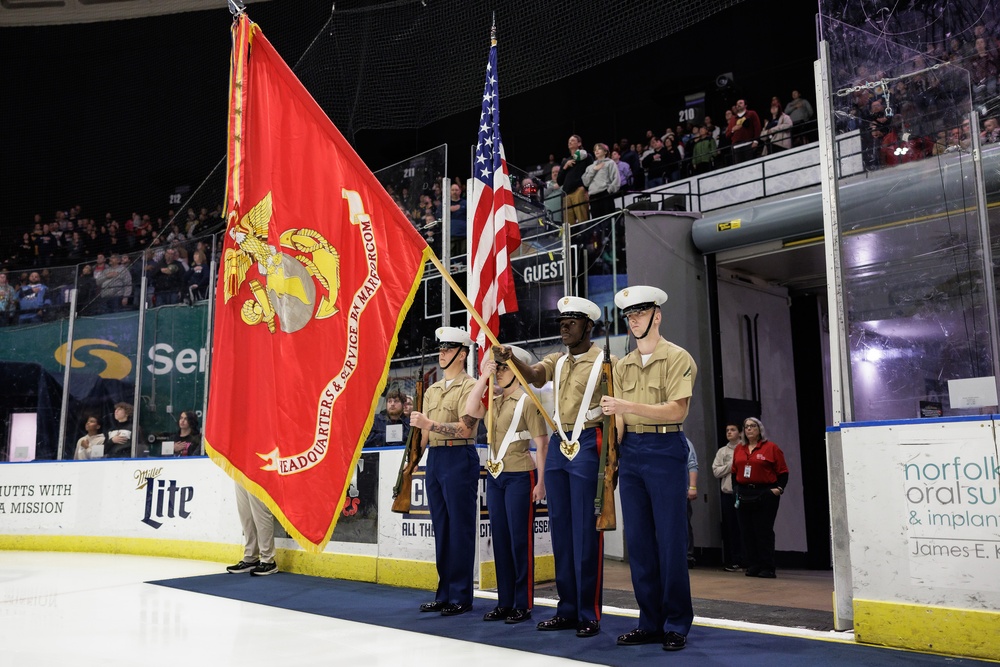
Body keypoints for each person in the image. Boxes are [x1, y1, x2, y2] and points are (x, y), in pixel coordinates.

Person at [496, 296, 607, 639]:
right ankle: (567, 608)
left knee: (586, 532)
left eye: (571, 322)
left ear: (589, 326)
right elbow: (532, 375)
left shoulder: (606, 361)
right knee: (561, 531)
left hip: (588, 441)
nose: (564, 327)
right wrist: (511, 357)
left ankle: (589, 613)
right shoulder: (557, 361)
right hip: (560, 446)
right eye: (561, 322)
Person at [601, 285, 696, 652]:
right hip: (633, 451)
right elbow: (620, 421)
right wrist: (612, 458)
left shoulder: (677, 358)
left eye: (640, 313)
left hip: (665, 446)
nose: (633, 320)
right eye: (629, 316)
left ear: (657, 315)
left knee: (670, 540)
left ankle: (676, 622)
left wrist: (625, 404)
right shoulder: (622, 366)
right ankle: (649, 621)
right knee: (639, 542)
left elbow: (678, 410)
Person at [464, 345, 548, 625]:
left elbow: (541, 443)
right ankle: (505, 601)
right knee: (499, 540)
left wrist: (542, 482)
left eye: (501, 368)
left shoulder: (527, 402)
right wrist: (483, 377)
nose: (497, 373)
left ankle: (522, 604)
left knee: (519, 540)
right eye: (496, 368)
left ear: (515, 369)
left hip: (520, 476)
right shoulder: (495, 402)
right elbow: (469, 408)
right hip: (496, 477)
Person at [408, 326, 480, 616]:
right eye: (441, 349)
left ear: (462, 355)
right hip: (436, 459)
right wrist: (412, 463)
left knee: (460, 529)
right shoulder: (433, 390)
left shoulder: (471, 387)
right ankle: (444, 592)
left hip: (458, 456)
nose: (442, 353)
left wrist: (429, 425)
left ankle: (461, 595)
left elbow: (466, 428)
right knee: (442, 529)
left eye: (448, 349)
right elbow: (423, 437)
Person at [731, 417, 788, 579]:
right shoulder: (739, 449)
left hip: (765, 493)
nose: (749, 429)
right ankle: (753, 564)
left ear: (759, 429)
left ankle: (767, 566)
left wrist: (778, 489)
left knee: (763, 531)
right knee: (747, 531)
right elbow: (734, 472)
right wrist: (736, 490)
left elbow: (783, 472)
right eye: (746, 427)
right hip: (744, 493)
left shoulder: (771, 448)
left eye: (753, 426)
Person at [226, 483, 279, 576]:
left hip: (257, 469)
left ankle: (268, 560)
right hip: (241, 469)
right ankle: (251, 558)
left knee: (260, 511)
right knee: (245, 514)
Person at [712, 423, 744, 571]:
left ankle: (749, 560)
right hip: (728, 493)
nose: (729, 432)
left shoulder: (745, 449)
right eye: (727, 430)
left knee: (745, 527)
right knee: (731, 528)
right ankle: (734, 560)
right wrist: (733, 465)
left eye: (733, 430)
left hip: (744, 494)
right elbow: (716, 472)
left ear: (740, 432)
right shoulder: (722, 452)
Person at [556, 135, 593, 225]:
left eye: (573, 140)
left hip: (579, 190)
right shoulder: (565, 161)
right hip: (566, 194)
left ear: (579, 143)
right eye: (569, 141)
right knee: (568, 225)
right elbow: (559, 181)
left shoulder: (587, 156)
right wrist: (565, 167)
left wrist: (585, 189)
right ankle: (572, 239)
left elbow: (591, 173)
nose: (570, 142)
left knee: (582, 220)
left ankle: (586, 238)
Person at [581, 143, 620, 219]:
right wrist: (594, 169)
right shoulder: (590, 167)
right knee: (597, 223)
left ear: (605, 152)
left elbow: (616, 179)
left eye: (599, 148)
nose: (596, 151)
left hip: (605, 194)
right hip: (593, 197)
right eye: (595, 149)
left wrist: (609, 191)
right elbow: (585, 182)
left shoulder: (610, 163)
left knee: (609, 220)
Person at [727, 99, 762, 164]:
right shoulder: (733, 119)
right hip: (736, 147)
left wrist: (756, 141)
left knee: (750, 167)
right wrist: (732, 130)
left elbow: (757, 127)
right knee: (739, 170)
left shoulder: (752, 113)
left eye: (740, 103)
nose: (738, 105)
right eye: (737, 104)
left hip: (748, 144)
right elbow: (727, 134)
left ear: (745, 105)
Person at [686, 437, 699, 568]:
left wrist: (692, 487)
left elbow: (692, 464)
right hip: (661, 492)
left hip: (681, 492)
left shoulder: (685, 442)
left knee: (684, 523)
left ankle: (688, 555)